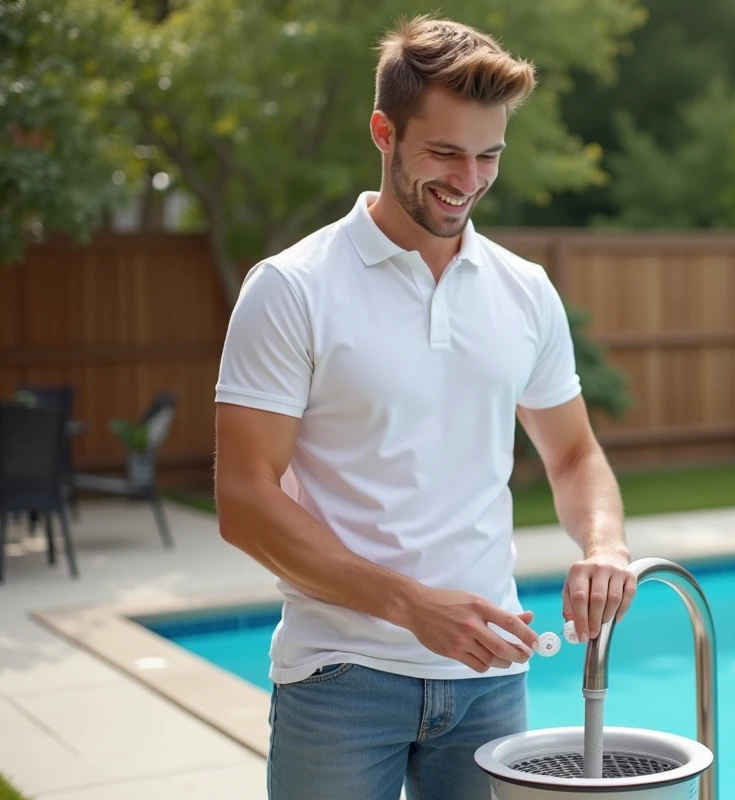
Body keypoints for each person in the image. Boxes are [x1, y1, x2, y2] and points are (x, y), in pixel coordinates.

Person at [212, 16, 636, 800]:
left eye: (488, 157)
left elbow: (575, 455)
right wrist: (410, 605)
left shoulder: (524, 290)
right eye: (445, 153)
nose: (468, 179)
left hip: (490, 687)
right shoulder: (292, 287)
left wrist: (605, 544)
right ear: (384, 131)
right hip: (339, 678)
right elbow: (243, 500)